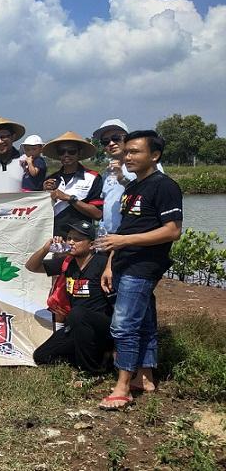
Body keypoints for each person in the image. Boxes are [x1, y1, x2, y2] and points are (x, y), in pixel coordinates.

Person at [95, 130, 182, 411]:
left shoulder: (164, 186)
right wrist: (110, 263)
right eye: (126, 151)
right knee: (143, 321)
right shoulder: (132, 188)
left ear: (154, 155)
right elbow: (124, 229)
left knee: (123, 325)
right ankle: (145, 377)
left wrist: (123, 242)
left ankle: (122, 387)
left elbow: (173, 231)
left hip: (144, 265)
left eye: (134, 152)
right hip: (123, 261)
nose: (127, 156)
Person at [26, 221, 113, 373]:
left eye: (77, 239)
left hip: (101, 324)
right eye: (69, 238)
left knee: (77, 313)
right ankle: (97, 357)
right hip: (77, 325)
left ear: (91, 245)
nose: (71, 242)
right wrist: (46, 248)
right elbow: (31, 266)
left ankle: (90, 371)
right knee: (41, 356)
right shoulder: (67, 263)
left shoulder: (101, 264)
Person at [92, 119, 165, 234]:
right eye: (105, 141)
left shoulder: (148, 165)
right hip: (109, 237)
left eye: (116, 138)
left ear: (128, 139)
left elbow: (151, 192)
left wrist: (122, 179)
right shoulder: (107, 172)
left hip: (132, 236)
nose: (111, 143)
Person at [42, 132, 104, 237]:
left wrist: (69, 198)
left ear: (79, 153)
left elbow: (97, 214)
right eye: (62, 151)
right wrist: (43, 193)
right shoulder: (50, 179)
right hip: (54, 236)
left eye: (71, 151)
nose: (66, 154)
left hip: (80, 239)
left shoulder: (93, 178)